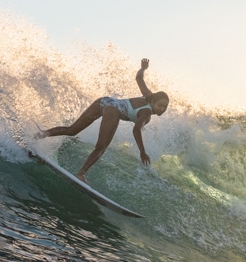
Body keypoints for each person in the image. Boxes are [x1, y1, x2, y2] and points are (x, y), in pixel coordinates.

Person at [34, 58, 169, 184]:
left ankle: (37, 136)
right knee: (101, 147)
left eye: (165, 107)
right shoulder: (147, 113)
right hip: (112, 111)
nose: (162, 109)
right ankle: (81, 173)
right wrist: (142, 151)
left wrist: (143, 68)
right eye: (160, 105)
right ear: (153, 102)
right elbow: (136, 129)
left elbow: (139, 78)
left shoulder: (148, 95)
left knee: (71, 130)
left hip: (104, 101)